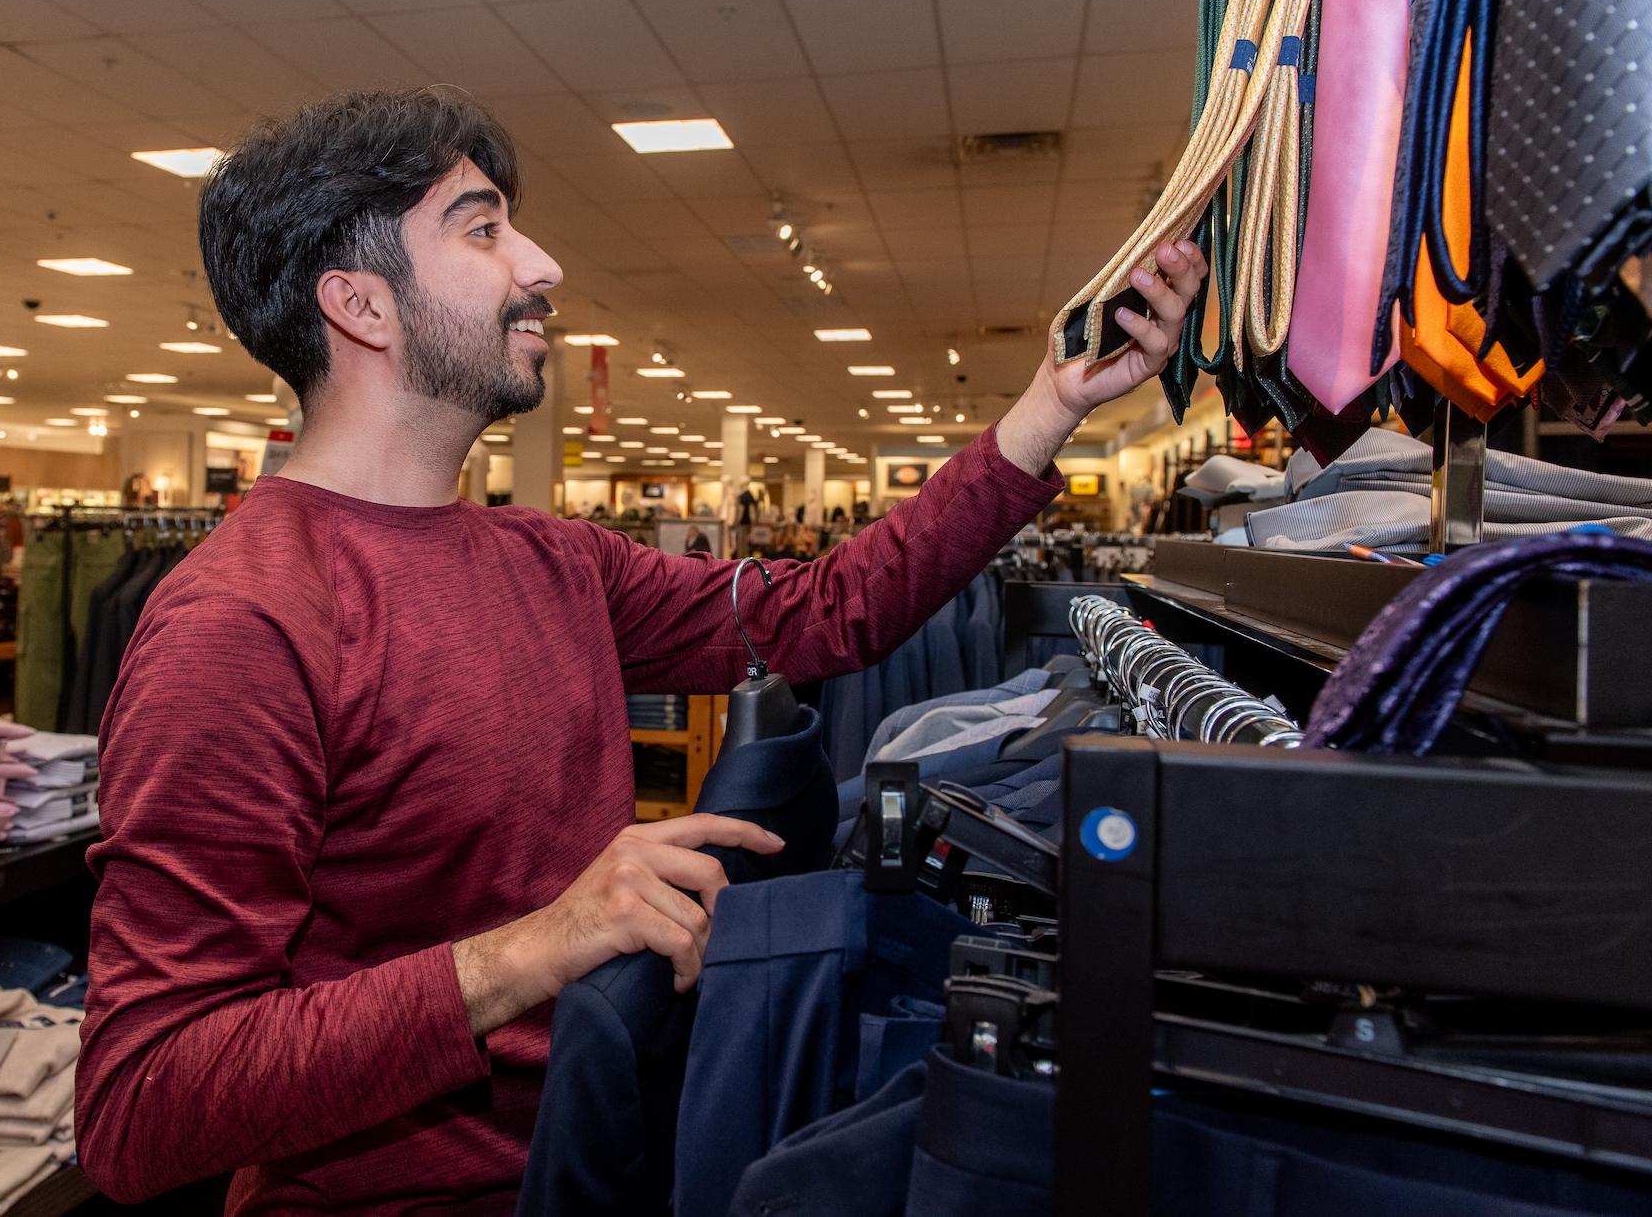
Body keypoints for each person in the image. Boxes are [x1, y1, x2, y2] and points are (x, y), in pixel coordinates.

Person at [75, 88, 1203, 1215]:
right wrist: (539, 946)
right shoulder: (242, 622)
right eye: (482, 229)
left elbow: (828, 610)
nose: (542, 264)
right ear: (360, 303)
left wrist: (1051, 405)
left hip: (607, 1155)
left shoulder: (551, 560)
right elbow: (142, 1103)